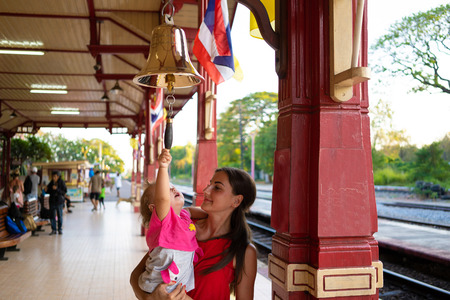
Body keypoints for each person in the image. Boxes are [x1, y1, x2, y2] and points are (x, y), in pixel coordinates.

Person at [130, 164, 258, 300]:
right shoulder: (183, 227)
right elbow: (136, 275)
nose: (206, 190)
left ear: (236, 200)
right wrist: (150, 298)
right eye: (209, 184)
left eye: (217, 187)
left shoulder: (244, 252)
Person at [137, 149, 207, 295]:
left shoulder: (183, 216)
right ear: (154, 208)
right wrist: (163, 168)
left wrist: (211, 214)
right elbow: (162, 199)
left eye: (172, 186)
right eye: (167, 189)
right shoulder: (164, 221)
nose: (173, 188)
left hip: (176, 285)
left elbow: (192, 211)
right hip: (158, 284)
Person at [46, 170, 67, 235]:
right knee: (52, 216)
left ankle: (60, 229)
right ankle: (53, 229)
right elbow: (48, 191)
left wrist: (57, 189)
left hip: (59, 201)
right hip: (52, 201)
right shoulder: (51, 183)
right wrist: (46, 190)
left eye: (55, 176)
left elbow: (64, 191)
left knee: (60, 215)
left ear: (58, 176)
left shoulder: (62, 182)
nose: (53, 178)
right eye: (53, 176)